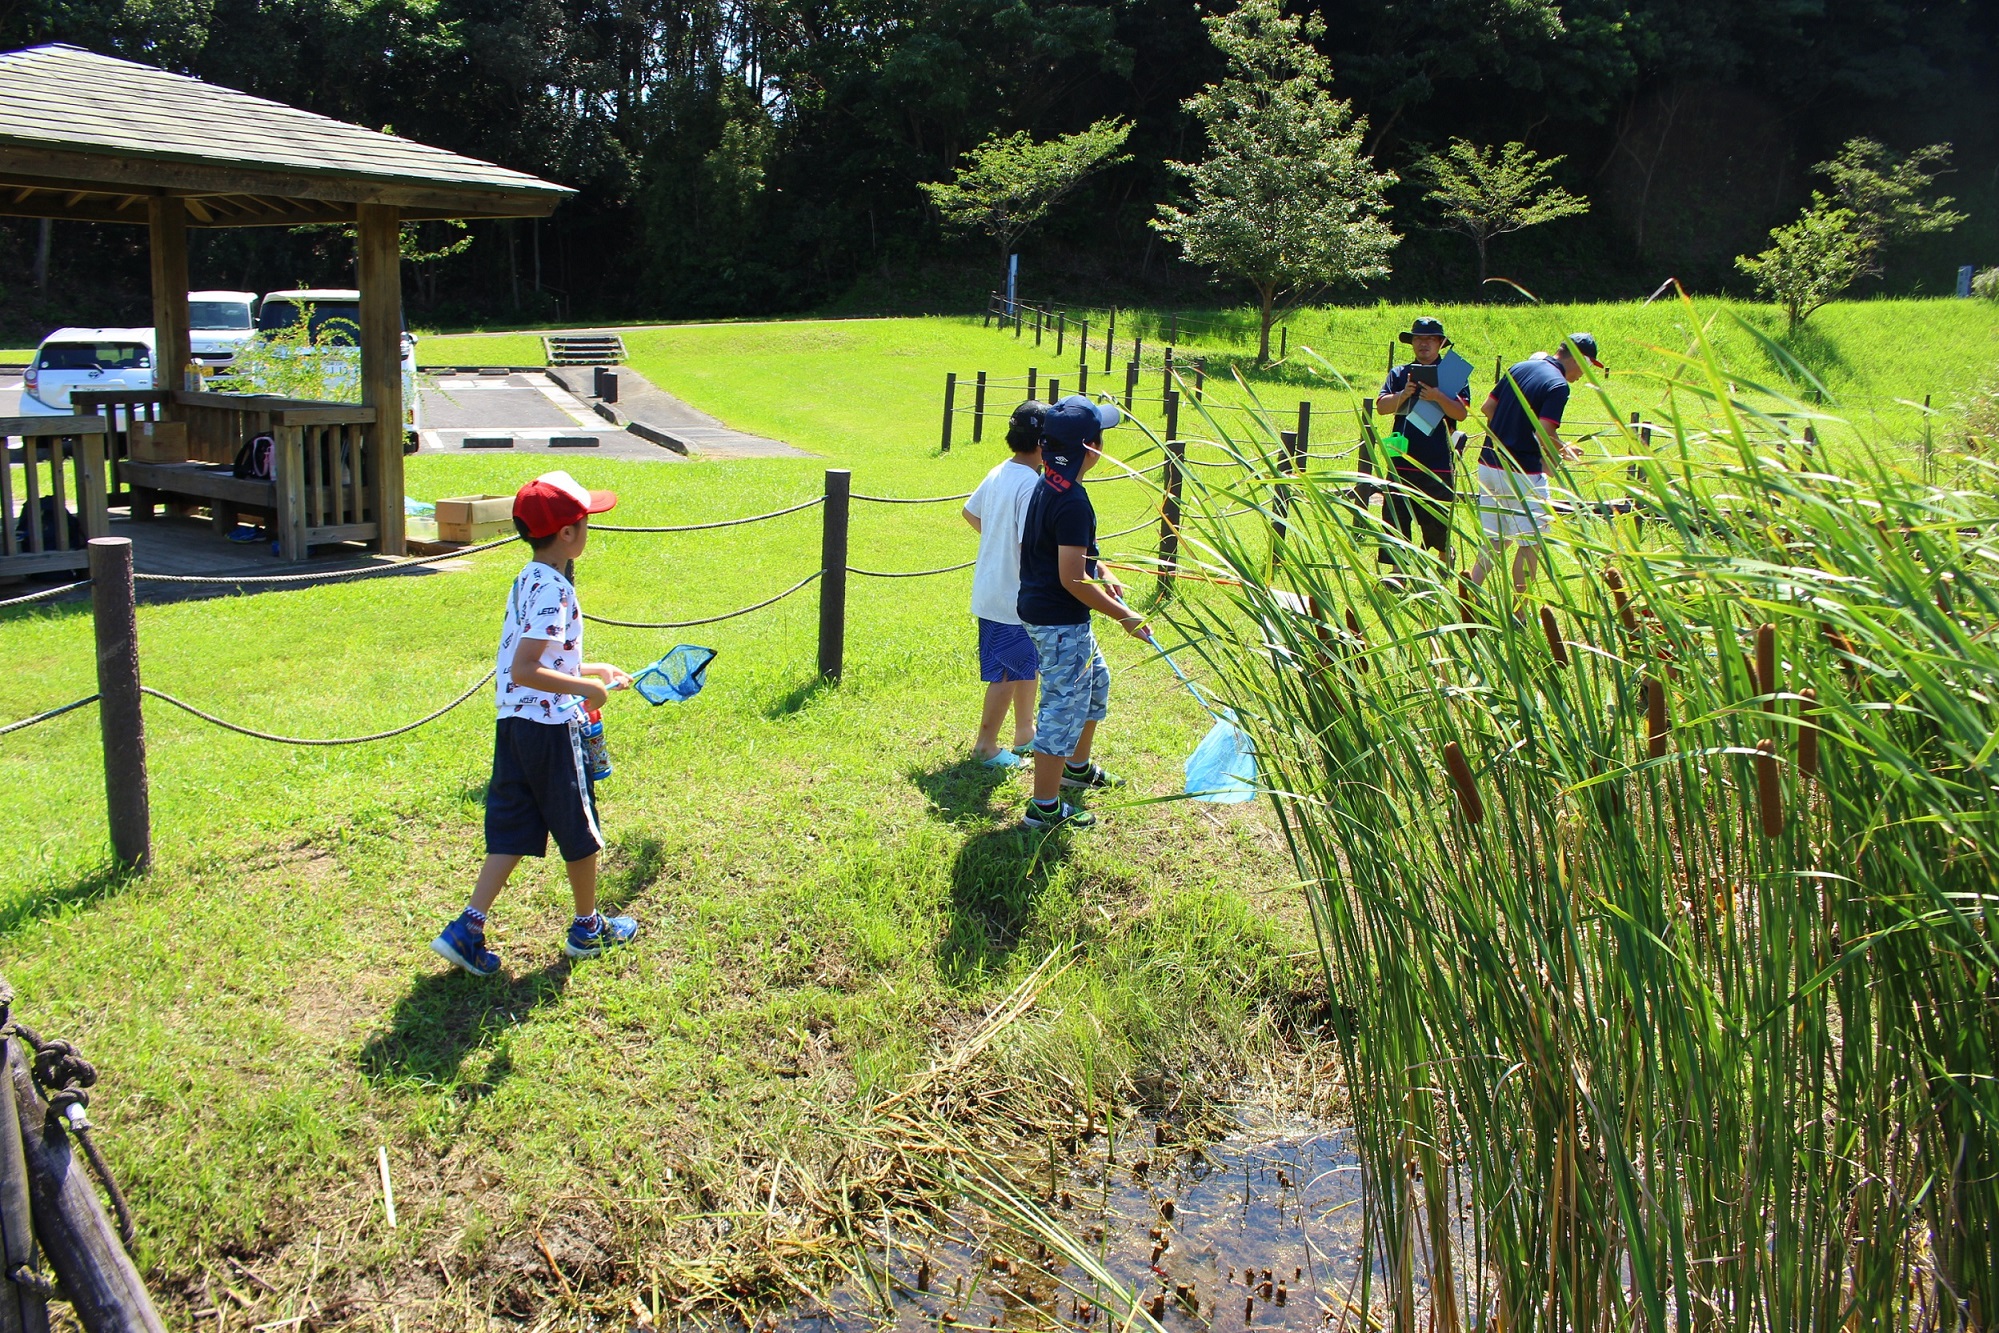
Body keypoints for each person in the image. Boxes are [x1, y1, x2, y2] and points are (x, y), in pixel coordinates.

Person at [432, 470, 639, 977]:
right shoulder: (557, 591)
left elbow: (534, 657)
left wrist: (593, 669)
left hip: (516, 726)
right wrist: (586, 691)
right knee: (579, 826)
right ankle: (588, 928)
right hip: (549, 728)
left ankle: (468, 927)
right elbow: (527, 668)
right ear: (567, 533)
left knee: (514, 826)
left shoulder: (530, 578)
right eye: (586, 521)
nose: (591, 529)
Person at [1016, 396, 1149, 830]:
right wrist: (1124, 616)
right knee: (1062, 706)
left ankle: (1076, 768)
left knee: (1095, 685)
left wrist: (1102, 568)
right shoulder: (1071, 499)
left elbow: (1076, 557)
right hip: (1058, 619)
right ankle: (1044, 807)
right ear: (1091, 449)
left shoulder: (1050, 482)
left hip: (1056, 615)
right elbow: (1072, 578)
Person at [1467, 333, 1602, 595]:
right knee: (1531, 543)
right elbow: (1544, 434)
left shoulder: (1519, 367)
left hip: (1488, 464)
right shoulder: (1559, 386)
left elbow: (1487, 408)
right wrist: (1564, 449)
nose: (1584, 374)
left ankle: (1470, 594)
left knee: (1495, 540)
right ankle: (1520, 613)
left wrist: (1509, 432)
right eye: (1587, 366)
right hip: (1523, 473)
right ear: (1580, 358)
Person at [962, 402, 1048, 767]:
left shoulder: (1000, 471)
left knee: (1025, 665)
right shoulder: (1030, 483)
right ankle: (985, 746)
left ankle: (1025, 732)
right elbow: (1029, 542)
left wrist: (995, 540)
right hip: (1010, 598)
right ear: (1045, 442)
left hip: (995, 589)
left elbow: (970, 511)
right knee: (1006, 674)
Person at [1373, 316, 1470, 581]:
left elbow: (1460, 414)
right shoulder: (1399, 373)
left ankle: (1442, 554)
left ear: (1440, 343)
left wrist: (1437, 396)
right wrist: (1403, 395)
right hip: (1401, 457)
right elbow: (1381, 407)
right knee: (1395, 515)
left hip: (1437, 458)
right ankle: (1397, 572)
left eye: (1429, 339)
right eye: (1418, 339)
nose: (1423, 344)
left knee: (1435, 517)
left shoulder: (1452, 374)